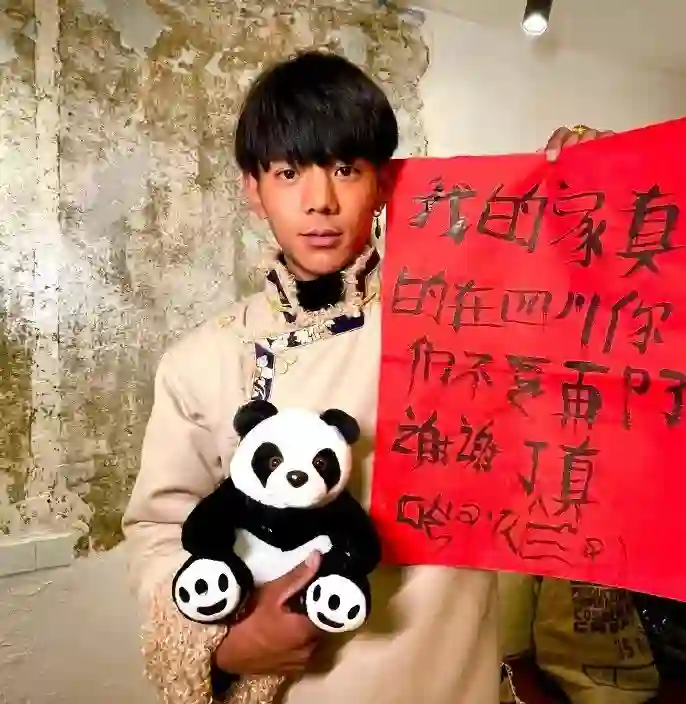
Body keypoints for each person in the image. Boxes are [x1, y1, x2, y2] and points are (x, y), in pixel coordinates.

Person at [122, 50, 612, 704]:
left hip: (450, 679)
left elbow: (596, 351)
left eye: (345, 169)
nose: (320, 201)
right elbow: (160, 531)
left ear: (382, 183)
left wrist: (602, 200)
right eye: (289, 172)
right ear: (253, 190)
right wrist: (230, 645)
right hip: (299, 685)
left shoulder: (462, 319)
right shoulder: (202, 360)